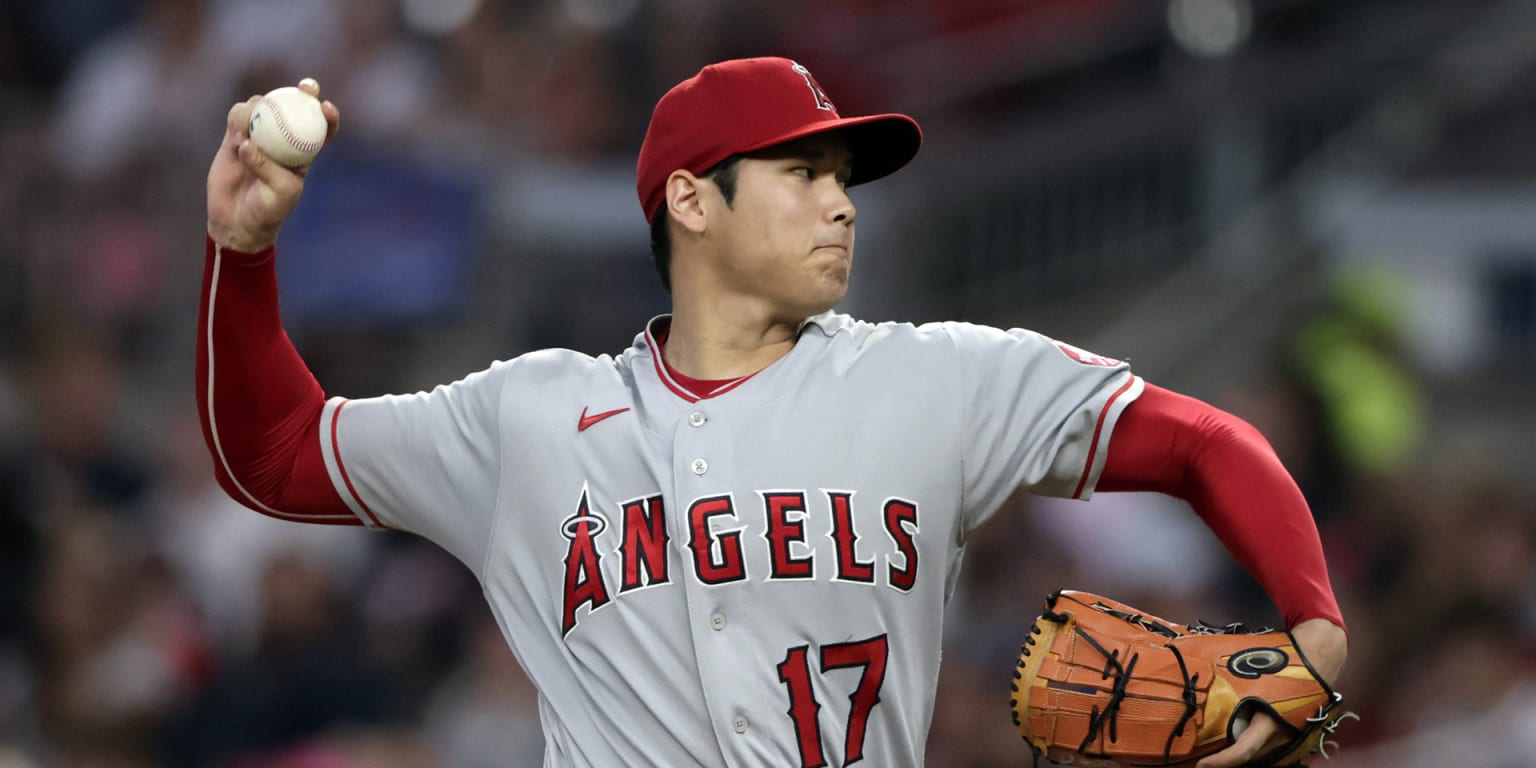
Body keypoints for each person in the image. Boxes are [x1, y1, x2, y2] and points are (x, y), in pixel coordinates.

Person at [201, 58, 1347, 767]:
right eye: (801, 174)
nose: (840, 206)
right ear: (692, 201)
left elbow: (1206, 442)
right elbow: (274, 455)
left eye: (842, 180)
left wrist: (1313, 622)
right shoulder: (532, 417)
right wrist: (243, 253)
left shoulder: (935, 378)